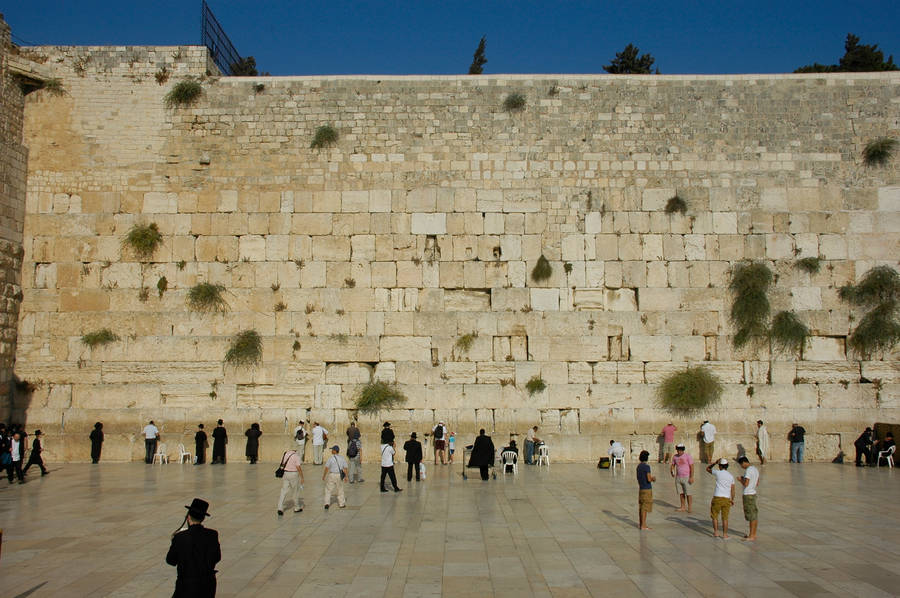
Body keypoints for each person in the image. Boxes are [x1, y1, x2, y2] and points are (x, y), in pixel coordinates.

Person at [166, 498, 220, 597]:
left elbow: (171, 561)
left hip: (186, 587)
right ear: (203, 518)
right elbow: (217, 558)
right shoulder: (213, 535)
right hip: (208, 586)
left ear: (188, 517)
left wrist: (174, 541)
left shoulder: (180, 537)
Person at [706, 458, 735, 538]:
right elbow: (733, 489)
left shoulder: (718, 473)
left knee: (715, 516)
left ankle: (716, 532)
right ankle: (725, 534)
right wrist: (732, 499)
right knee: (725, 518)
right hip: (726, 499)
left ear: (720, 466)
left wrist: (715, 462)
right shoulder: (731, 476)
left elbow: (708, 469)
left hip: (717, 497)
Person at [737, 456, 760, 541]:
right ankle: (754, 534)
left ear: (743, 463)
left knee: (751, 516)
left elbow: (746, 483)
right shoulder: (755, 469)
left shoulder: (748, 470)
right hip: (753, 493)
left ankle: (751, 535)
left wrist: (740, 480)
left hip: (748, 494)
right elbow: (757, 482)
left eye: (741, 465)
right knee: (754, 515)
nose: (741, 467)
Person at [276, 447, 304, 516]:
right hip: (293, 474)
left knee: (283, 491)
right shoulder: (296, 456)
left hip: (286, 473)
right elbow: (298, 467)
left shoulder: (286, 454)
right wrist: (302, 477)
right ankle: (297, 507)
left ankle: (280, 508)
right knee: (295, 491)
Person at [670, 444, 694, 513]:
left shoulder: (687, 456)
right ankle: (682, 506)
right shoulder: (675, 457)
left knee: (688, 493)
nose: (679, 452)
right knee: (681, 493)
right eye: (678, 450)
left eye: (680, 450)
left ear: (683, 450)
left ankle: (689, 507)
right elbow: (673, 465)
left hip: (686, 477)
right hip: (678, 477)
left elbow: (692, 466)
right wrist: (672, 471)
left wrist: (691, 477)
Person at [636, 450, 655, 530]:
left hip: (641, 488)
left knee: (641, 506)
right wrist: (653, 479)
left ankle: (641, 524)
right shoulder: (647, 467)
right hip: (647, 489)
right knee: (645, 507)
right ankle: (643, 525)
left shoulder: (639, 466)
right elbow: (649, 478)